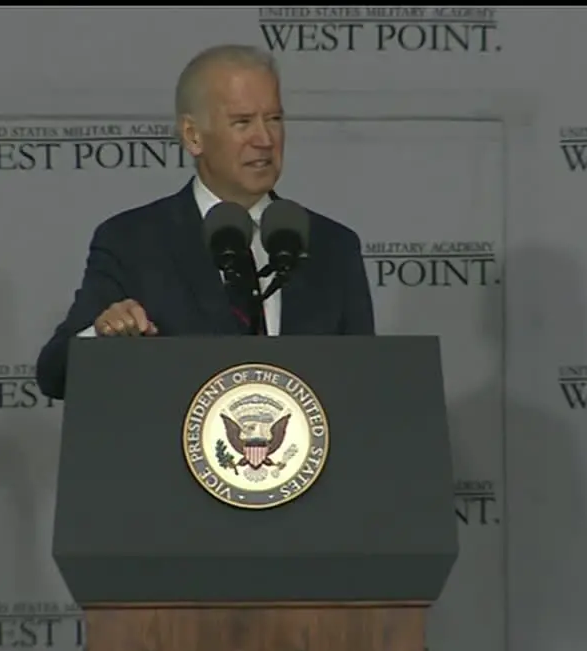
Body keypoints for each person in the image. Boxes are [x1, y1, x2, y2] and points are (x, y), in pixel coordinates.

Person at [35, 44, 375, 400]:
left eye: (274, 119)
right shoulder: (132, 242)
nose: (265, 140)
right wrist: (102, 337)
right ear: (193, 136)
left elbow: (365, 384)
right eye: (243, 122)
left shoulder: (332, 246)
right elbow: (55, 374)